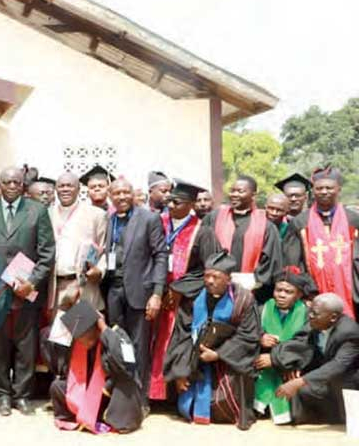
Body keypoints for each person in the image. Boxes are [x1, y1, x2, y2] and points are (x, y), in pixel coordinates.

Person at [0, 166, 55, 416]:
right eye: (7, 182)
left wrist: (32, 282)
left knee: (26, 347)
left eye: (16, 182)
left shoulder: (37, 210)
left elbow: (47, 253)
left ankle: (22, 395)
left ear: (23, 185)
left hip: (26, 291)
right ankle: (1, 395)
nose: (12, 186)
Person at [165, 252, 259, 430]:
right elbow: (183, 335)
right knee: (186, 405)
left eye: (216, 277)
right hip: (195, 360)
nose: (209, 281)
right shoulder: (194, 298)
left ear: (228, 279)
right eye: (207, 275)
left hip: (228, 360)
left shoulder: (244, 300)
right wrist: (181, 370)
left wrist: (218, 354)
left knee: (224, 406)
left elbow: (248, 336)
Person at [149, 180, 220, 402]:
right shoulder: (157, 223)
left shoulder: (203, 231)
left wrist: (179, 289)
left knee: (178, 343)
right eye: (169, 201)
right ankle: (151, 393)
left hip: (184, 300)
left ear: (190, 204)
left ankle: (171, 396)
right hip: (154, 295)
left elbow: (208, 269)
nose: (170, 206)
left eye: (177, 202)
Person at [101, 178, 168, 399]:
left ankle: (140, 399)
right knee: (118, 344)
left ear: (133, 194)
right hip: (113, 292)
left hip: (140, 292)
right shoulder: (109, 220)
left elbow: (160, 255)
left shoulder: (149, 218)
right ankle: (122, 395)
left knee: (139, 347)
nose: (121, 197)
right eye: (116, 193)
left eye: (125, 192)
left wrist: (157, 294)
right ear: (110, 196)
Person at [50, 300, 144, 434]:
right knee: (57, 386)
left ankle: (110, 419)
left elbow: (126, 364)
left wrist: (104, 329)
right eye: (79, 338)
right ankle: (76, 416)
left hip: (109, 393)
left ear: (95, 328)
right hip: (87, 390)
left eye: (85, 338)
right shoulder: (78, 344)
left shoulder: (117, 335)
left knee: (124, 386)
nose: (82, 342)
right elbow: (64, 367)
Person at [267, 293, 359, 424]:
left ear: (333, 317)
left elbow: (338, 365)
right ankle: (305, 418)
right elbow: (300, 343)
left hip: (349, 380)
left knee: (305, 383)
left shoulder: (350, 332)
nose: (310, 316)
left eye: (315, 313)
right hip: (326, 378)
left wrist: (300, 381)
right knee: (298, 385)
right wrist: (294, 364)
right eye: (310, 311)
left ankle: (347, 418)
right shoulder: (316, 323)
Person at [205, 175, 282, 304]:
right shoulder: (214, 217)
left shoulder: (266, 225)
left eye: (240, 191)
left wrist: (254, 280)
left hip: (251, 291)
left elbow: (271, 260)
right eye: (232, 190)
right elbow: (205, 249)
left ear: (253, 195)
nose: (234, 194)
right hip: (215, 288)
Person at [295, 166, 359, 318]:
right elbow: (294, 264)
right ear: (313, 191)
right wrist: (308, 291)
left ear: (339, 189)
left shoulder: (354, 220)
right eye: (319, 188)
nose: (324, 191)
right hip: (313, 293)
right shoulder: (300, 222)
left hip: (350, 292)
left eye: (329, 188)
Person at [252, 266, 310, 425]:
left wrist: (276, 358)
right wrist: (260, 337)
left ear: (299, 294)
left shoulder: (307, 313)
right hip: (261, 366)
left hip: (293, 366)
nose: (282, 295)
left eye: (288, 292)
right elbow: (246, 332)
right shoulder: (262, 309)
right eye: (279, 290)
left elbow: (305, 344)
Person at [49, 172, 108, 311]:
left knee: (81, 330)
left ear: (79, 189)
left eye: (69, 186)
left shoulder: (96, 215)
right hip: (55, 287)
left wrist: (99, 270)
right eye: (61, 186)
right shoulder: (47, 214)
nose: (65, 189)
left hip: (83, 287)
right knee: (56, 331)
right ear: (56, 189)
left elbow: (104, 248)